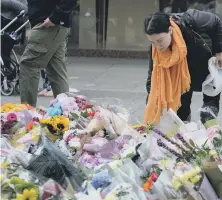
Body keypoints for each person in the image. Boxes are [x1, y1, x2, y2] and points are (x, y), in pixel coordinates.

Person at [144, 9, 222, 125]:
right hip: (180, 76)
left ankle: (212, 138)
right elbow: (152, 77)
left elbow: (216, 22)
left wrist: (219, 50)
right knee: (181, 115)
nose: (157, 46)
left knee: (209, 112)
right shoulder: (155, 49)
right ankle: (185, 139)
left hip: (206, 65)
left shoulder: (191, 19)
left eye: (160, 40)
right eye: (152, 41)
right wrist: (153, 101)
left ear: (170, 30)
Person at [19, 0, 76, 106]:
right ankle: (64, 112)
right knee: (55, 68)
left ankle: (27, 114)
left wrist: (55, 17)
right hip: (51, 22)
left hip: (48, 24)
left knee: (28, 66)